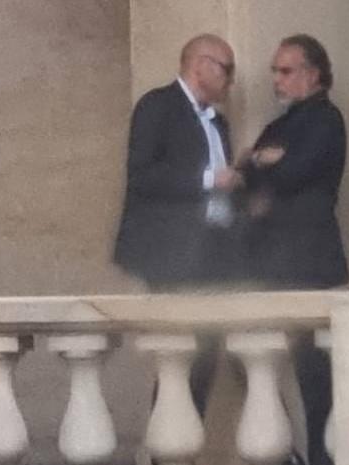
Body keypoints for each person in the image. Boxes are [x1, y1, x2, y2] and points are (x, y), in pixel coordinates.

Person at [237, 34, 349, 465]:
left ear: (313, 74)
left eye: (286, 71)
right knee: (251, 359)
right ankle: (284, 459)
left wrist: (264, 165)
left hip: (308, 262)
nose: (277, 80)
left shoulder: (326, 120)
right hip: (268, 262)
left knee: (314, 372)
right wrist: (262, 162)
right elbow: (247, 175)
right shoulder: (280, 127)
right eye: (275, 71)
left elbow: (294, 174)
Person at [113, 34, 241, 423]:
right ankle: (166, 448)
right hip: (169, 253)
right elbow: (143, 176)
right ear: (201, 65)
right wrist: (210, 179)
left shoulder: (219, 123)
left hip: (210, 253)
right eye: (227, 69)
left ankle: (181, 443)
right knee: (180, 355)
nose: (231, 81)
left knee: (206, 354)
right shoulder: (158, 106)